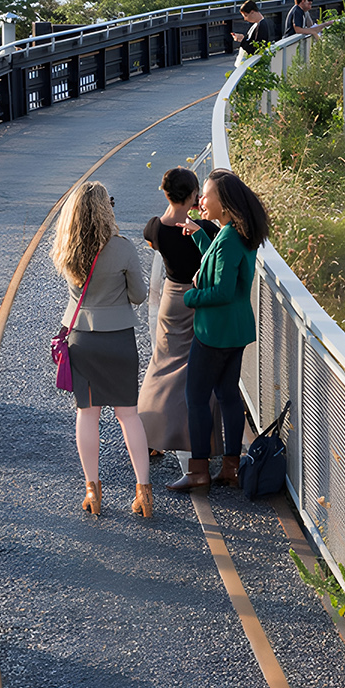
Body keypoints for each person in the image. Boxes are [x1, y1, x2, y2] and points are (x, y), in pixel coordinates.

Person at [53, 180, 151, 516]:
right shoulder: (122, 248)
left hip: (83, 338)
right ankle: (143, 492)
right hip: (119, 337)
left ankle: (93, 492)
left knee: (87, 415)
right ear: (105, 210)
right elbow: (139, 295)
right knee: (128, 415)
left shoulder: (67, 249)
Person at [175, 169, 267, 492]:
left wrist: (190, 296)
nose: (201, 200)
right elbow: (220, 262)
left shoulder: (228, 239)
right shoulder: (237, 233)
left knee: (196, 397)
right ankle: (231, 467)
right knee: (228, 395)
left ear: (224, 204)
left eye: (207, 194)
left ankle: (199, 470)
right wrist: (200, 235)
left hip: (214, 333)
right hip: (237, 330)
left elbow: (222, 290)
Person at [136, 167, 199, 458]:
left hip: (170, 301)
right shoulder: (204, 231)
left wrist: (175, 203)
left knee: (160, 366)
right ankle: (190, 437)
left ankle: (147, 434)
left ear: (166, 194)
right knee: (192, 371)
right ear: (194, 197)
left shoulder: (156, 229)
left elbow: (153, 237)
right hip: (197, 299)